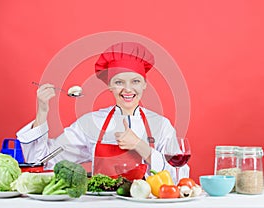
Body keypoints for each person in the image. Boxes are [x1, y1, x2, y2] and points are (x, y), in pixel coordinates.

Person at [16, 42, 189, 183]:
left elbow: (179, 177)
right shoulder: (91, 123)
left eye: (135, 81)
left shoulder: (160, 125)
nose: (128, 89)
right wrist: (42, 112)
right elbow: (41, 161)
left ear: (144, 84)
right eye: (119, 82)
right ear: (109, 86)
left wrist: (141, 146)